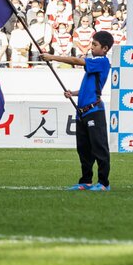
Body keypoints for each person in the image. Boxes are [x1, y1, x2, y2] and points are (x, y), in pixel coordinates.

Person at [43, 30, 115, 191]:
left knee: (99, 147)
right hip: (82, 111)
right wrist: (73, 93)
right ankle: (86, 180)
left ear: (104, 48)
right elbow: (89, 86)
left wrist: (52, 57)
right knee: (83, 149)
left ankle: (104, 183)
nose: (91, 47)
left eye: (95, 45)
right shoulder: (95, 62)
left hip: (94, 111)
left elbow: (76, 60)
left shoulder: (102, 61)